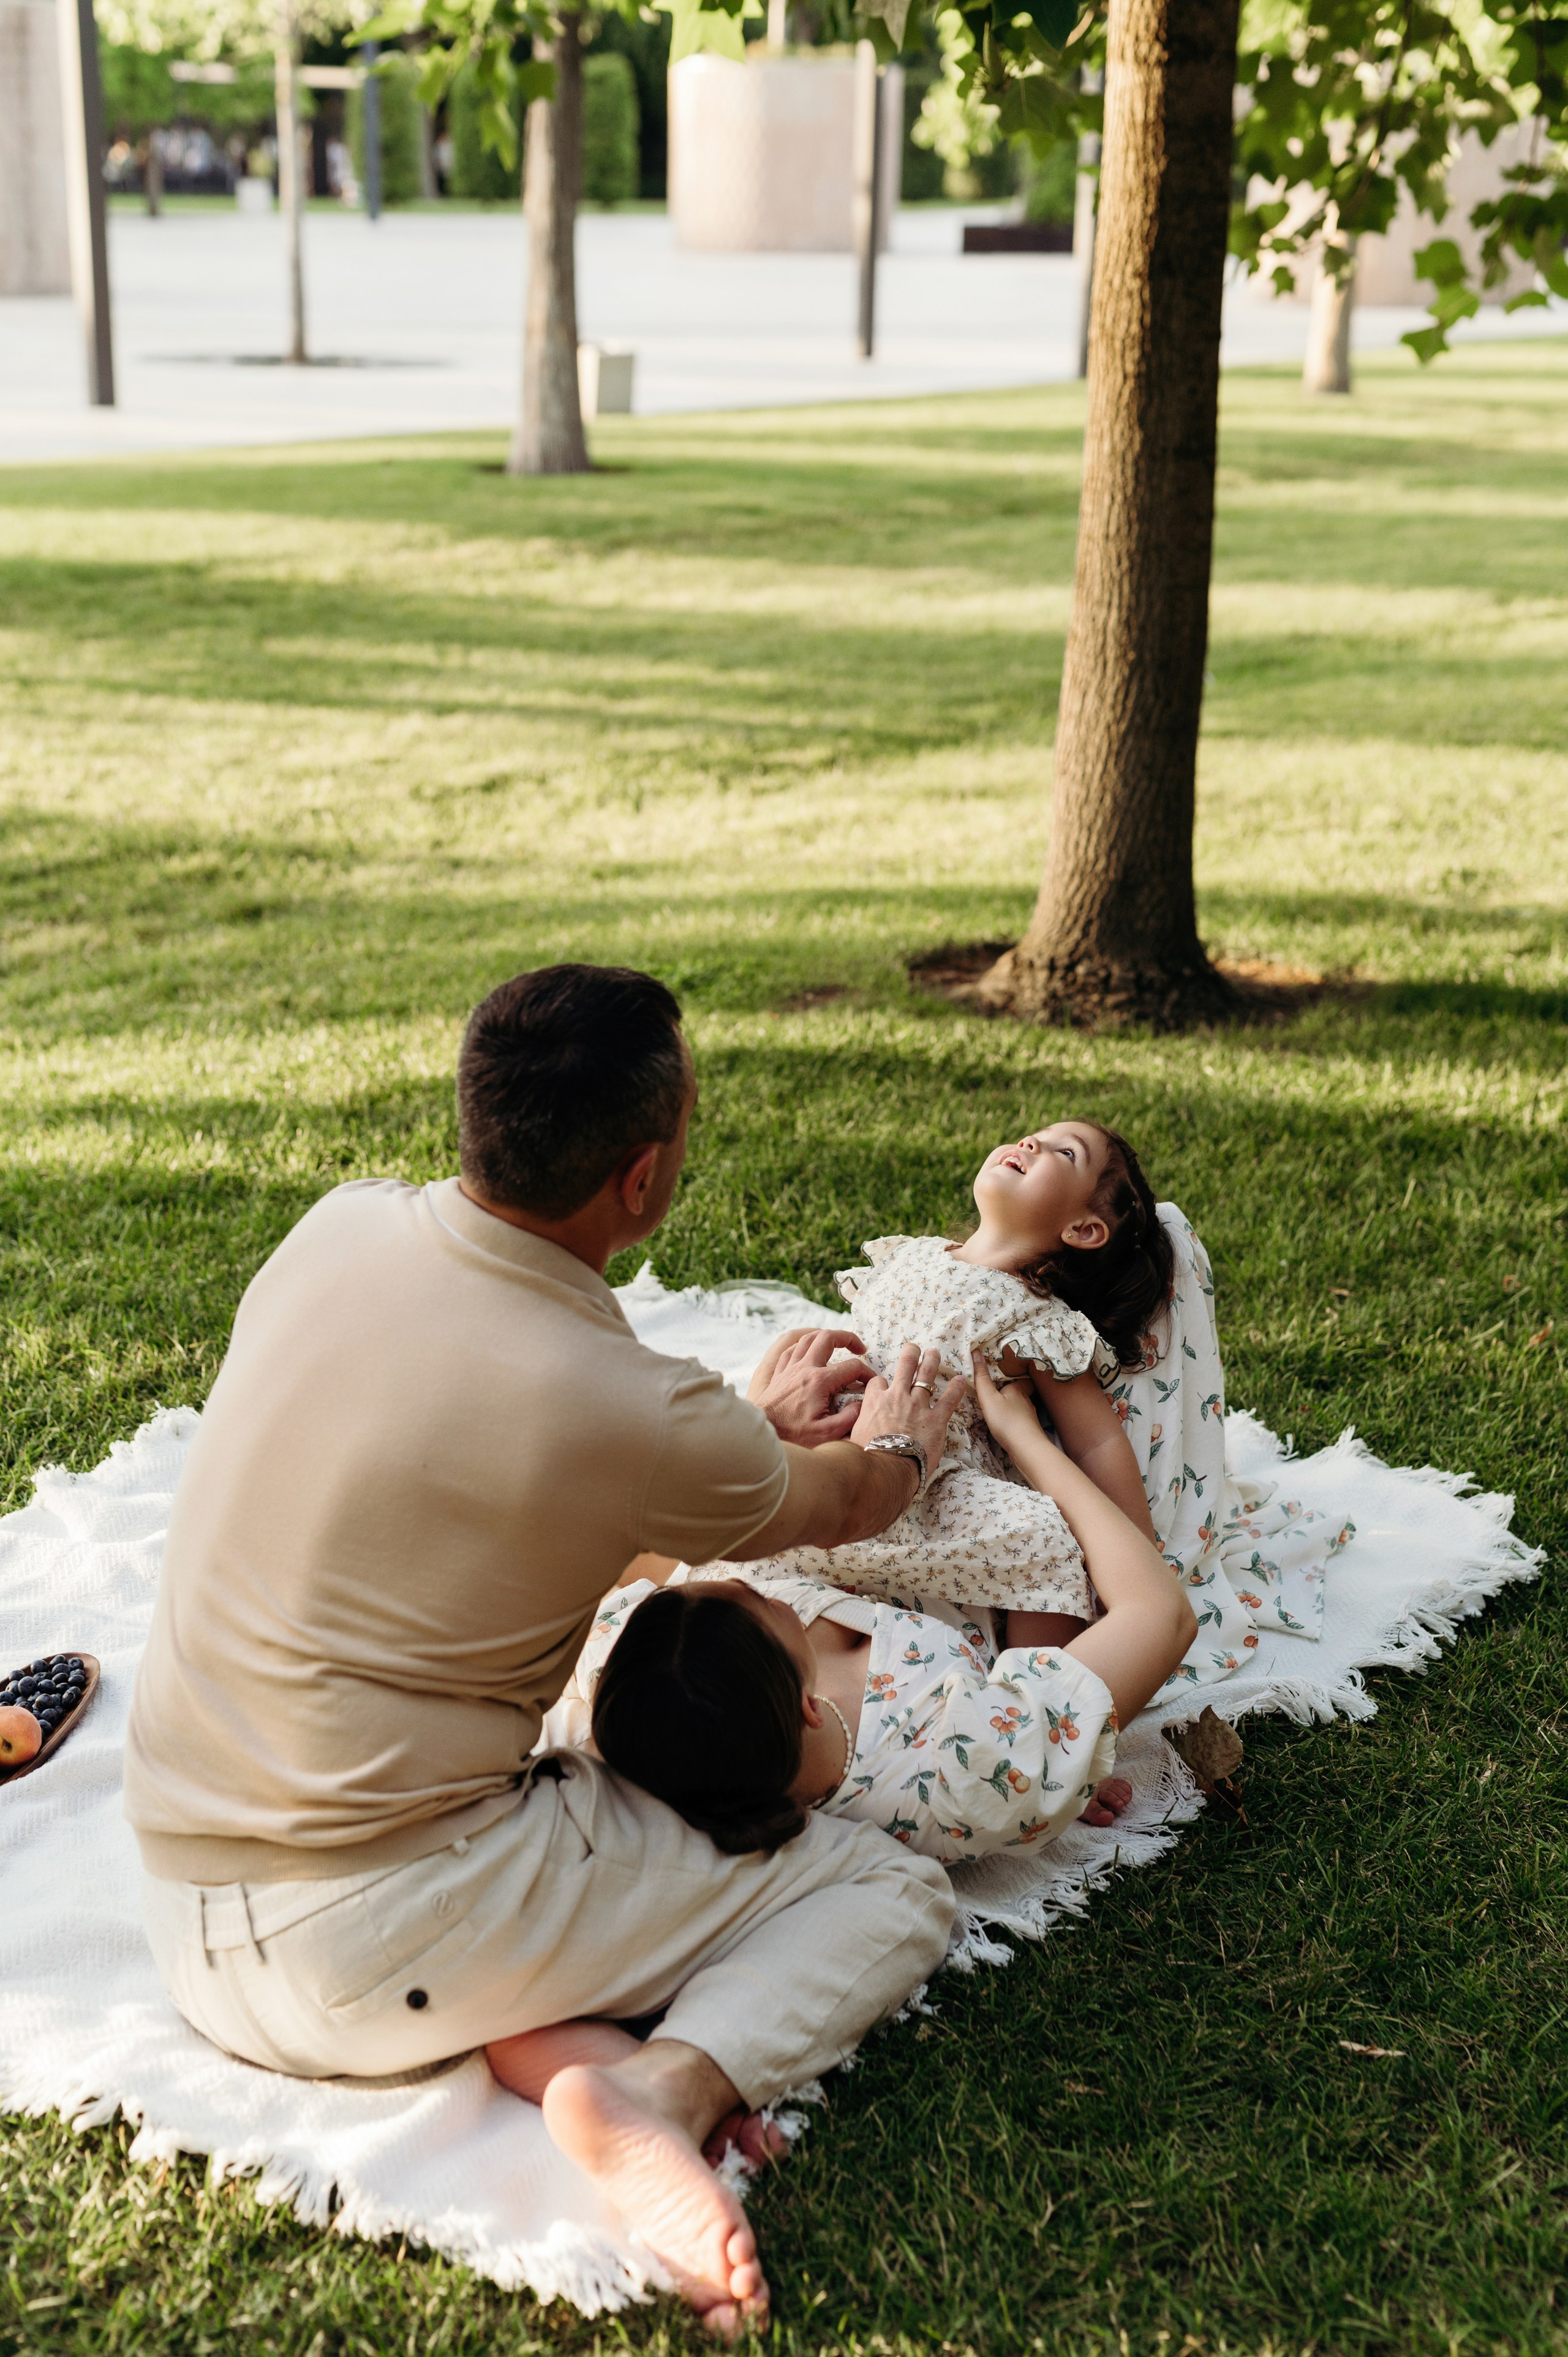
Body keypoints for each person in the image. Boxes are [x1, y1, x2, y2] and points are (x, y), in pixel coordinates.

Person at [123, 964, 966, 2340]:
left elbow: (516, 1482)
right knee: (885, 1885)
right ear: (643, 1177)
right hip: (358, 1936)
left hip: (178, 1894)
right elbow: (851, 1499)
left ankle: (546, 2032)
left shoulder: (338, 1226)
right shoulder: (630, 1410)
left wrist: (735, 1435)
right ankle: (660, 2090)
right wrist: (909, 1443)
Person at [537, 1352, 1197, 1866]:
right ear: (809, 1705)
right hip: (1003, 1538)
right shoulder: (967, 1767)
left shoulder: (631, 1676)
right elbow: (1160, 1613)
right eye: (764, 1602)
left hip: (872, 1505)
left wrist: (758, 1430)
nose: (748, 1579)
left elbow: (624, 1542)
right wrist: (1025, 1438)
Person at [722, 1120, 1173, 1653]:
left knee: (1048, 1536)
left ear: (1084, 1229)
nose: (1031, 1142)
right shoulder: (910, 1253)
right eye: (1036, 1134)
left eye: (1066, 1153)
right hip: (831, 1440)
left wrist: (1138, 1547)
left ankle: (1038, 1673)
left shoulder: (1038, 1319)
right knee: (737, 1493)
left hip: (931, 1482)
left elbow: (1096, 1441)